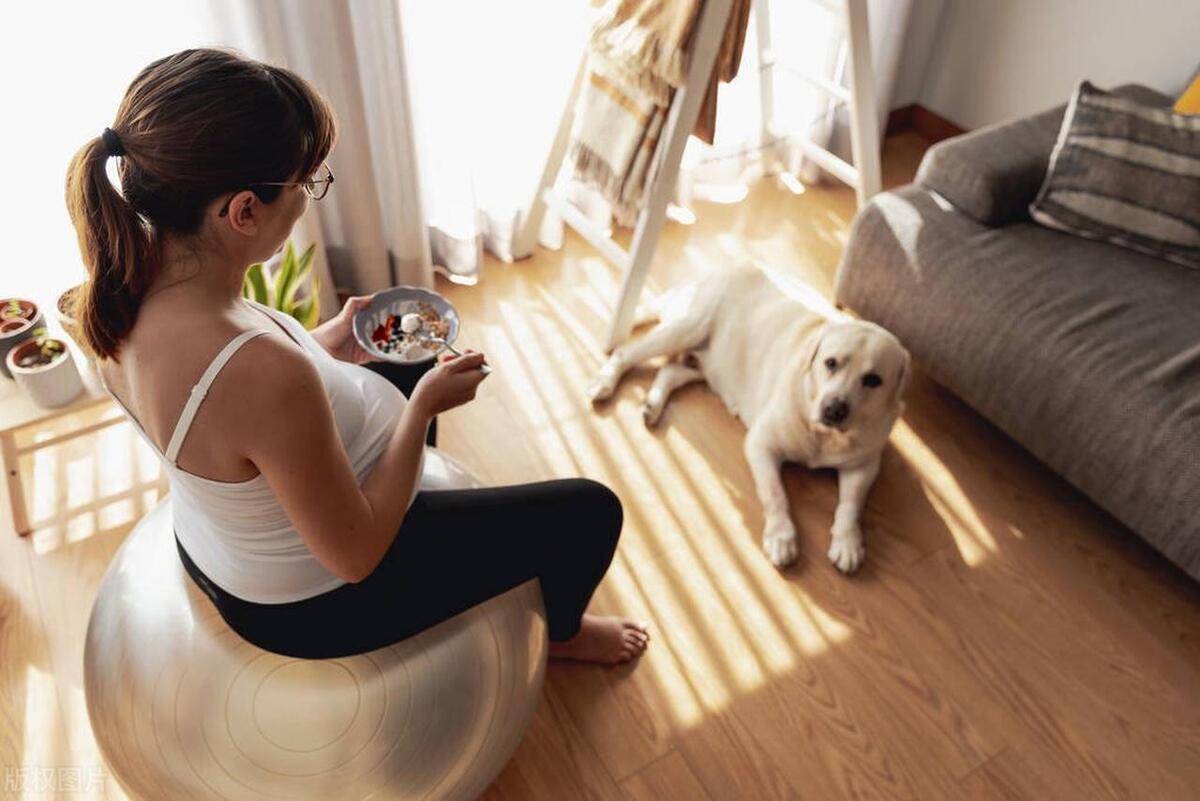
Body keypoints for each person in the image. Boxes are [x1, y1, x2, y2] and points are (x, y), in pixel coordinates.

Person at [64, 47, 648, 664]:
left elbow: (221, 418)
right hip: (315, 604)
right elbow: (356, 555)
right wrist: (421, 409)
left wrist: (322, 343)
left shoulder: (120, 292)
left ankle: (418, 495)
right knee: (588, 511)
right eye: (307, 183)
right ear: (243, 211)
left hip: (218, 541)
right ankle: (566, 634)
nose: (308, 197)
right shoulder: (260, 372)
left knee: (407, 350)